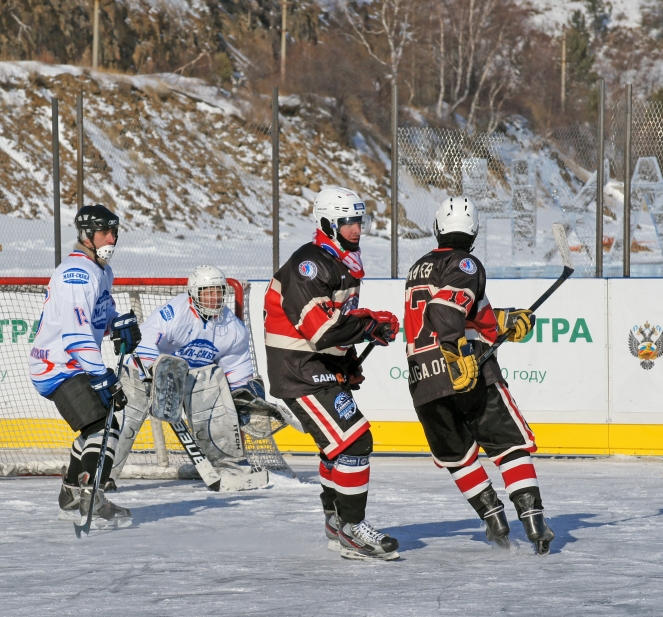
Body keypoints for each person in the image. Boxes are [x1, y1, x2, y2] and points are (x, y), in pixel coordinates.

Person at [403, 196, 555, 555]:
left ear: (438, 229)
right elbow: (445, 309)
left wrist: (508, 321)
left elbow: (475, 316)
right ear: (474, 233)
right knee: (508, 446)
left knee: (458, 456)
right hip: (467, 372)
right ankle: (533, 522)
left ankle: (495, 520)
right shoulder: (467, 262)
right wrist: (457, 353)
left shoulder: (419, 266)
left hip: (423, 380)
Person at [263, 186, 401, 561]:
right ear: (328, 223)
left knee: (335, 446)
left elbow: (337, 323)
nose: (357, 229)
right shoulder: (310, 263)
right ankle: (353, 530)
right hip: (300, 369)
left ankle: (336, 520)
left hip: (318, 365)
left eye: (359, 220)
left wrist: (348, 361)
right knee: (355, 441)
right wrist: (370, 324)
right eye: (348, 222)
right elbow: (321, 332)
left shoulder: (341, 260)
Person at [28, 204, 142, 526]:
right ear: (87, 235)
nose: (112, 238)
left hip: (73, 363)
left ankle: (70, 492)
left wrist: (118, 326)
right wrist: (100, 375)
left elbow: (98, 318)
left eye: (115, 231)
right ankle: (92, 493)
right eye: (105, 231)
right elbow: (76, 336)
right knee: (104, 427)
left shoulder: (102, 271)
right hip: (57, 365)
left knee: (99, 424)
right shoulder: (75, 274)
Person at [110, 265, 267, 489]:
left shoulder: (233, 328)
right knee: (128, 419)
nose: (214, 298)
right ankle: (103, 472)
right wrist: (154, 371)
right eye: (208, 292)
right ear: (194, 293)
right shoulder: (175, 313)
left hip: (191, 379)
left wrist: (243, 400)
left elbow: (237, 372)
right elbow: (144, 342)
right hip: (145, 372)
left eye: (219, 291)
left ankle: (230, 468)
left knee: (216, 393)